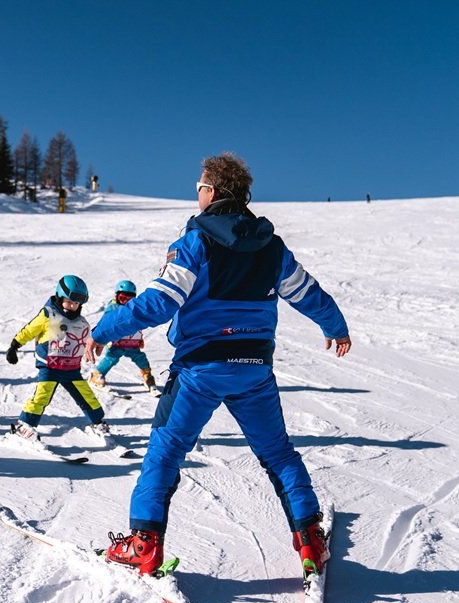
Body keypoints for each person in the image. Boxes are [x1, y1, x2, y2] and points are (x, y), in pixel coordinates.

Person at [85, 152, 352, 579]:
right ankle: (309, 538)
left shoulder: (196, 241)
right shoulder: (272, 247)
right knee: (278, 453)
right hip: (254, 369)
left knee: (166, 451)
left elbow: (158, 303)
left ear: (211, 192)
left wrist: (103, 330)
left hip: (200, 370)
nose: (197, 193)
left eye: (199, 187)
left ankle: (144, 544)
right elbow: (308, 293)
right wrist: (335, 326)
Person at [5, 275, 109, 439]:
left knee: (87, 396)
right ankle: (24, 426)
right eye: (69, 301)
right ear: (60, 297)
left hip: (71, 369)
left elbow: (87, 340)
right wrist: (15, 345)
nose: (73, 306)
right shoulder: (48, 314)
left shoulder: (82, 322)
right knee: (41, 396)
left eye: (77, 303)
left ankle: (98, 423)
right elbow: (30, 330)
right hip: (49, 367)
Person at [89, 280, 159, 396]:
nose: (126, 302)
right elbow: (106, 322)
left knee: (141, 358)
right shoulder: (113, 309)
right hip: (117, 343)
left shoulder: (134, 310)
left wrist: (139, 338)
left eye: (130, 299)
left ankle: (148, 376)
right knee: (111, 359)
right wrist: (102, 337)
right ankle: (96, 376)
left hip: (132, 344)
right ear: (117, 296)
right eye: (122, 298)